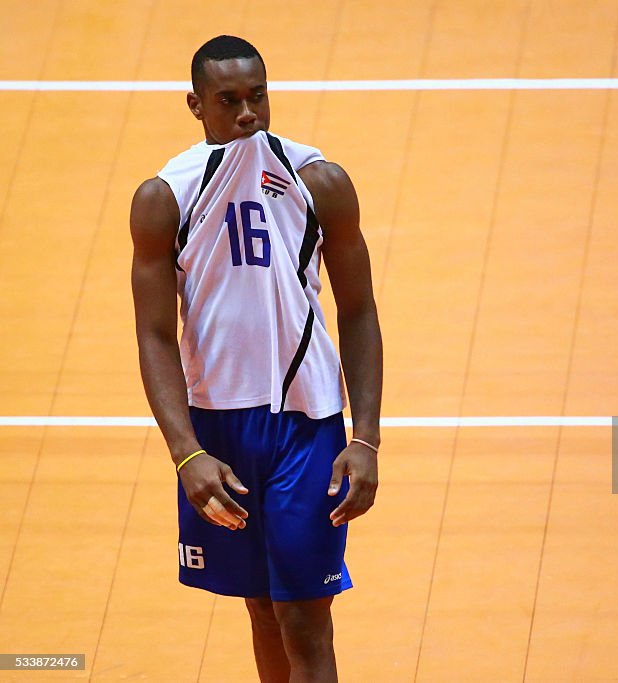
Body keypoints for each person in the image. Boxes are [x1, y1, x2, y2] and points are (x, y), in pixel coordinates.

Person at [130, 35, 382, 683]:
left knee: (306, 620)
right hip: (219, 430)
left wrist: (367, 438)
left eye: (258, 96)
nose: (248, 112)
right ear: (196, 104)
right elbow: (155, 336)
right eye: (230, 100)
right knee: (264, 608)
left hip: (307, 425)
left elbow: (358, 311)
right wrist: (185, 452)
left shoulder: (318, 180)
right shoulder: (165, 197)